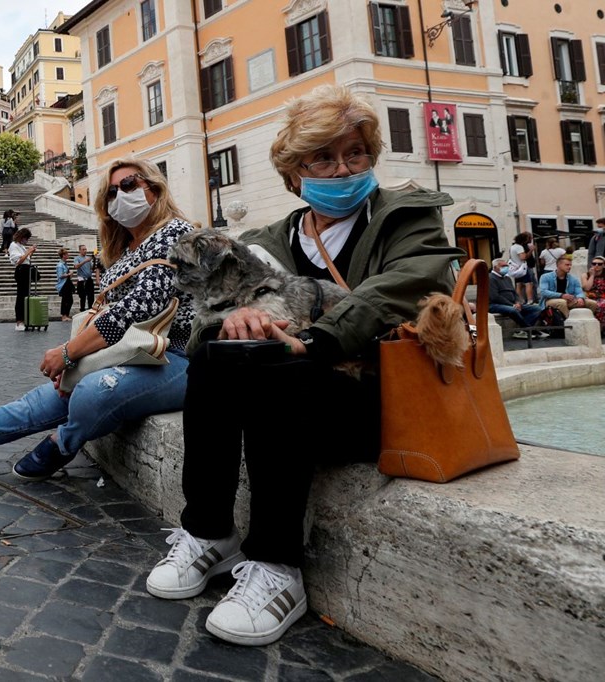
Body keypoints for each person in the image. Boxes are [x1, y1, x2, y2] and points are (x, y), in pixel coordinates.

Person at [144, 85, 464, 647]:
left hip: (378, 394)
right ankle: (208, 531)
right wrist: (233, 323)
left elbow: (403, 287)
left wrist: (313, 339)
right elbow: (200, 319)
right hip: (289, 399)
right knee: (217, 360)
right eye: (322, 157)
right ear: (295, 172)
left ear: (370, 158)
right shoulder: (265, 240)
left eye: (354, 154)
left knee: (280, 371)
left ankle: (277, 568)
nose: (341, 169)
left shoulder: (407, 218)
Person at [0, 157, 196, 481]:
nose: (119, 195)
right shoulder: (125, 249)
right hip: (127, 355)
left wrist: (67, 353)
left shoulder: (174, 233)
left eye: (128, 185)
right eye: (111, 193)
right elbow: (111, 316)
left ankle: (63, 442)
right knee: (35, 403)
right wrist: (75, 357)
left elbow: (136, 308)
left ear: (154, 188)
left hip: (175, 358)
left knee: (92, 391)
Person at [489, 257, 543, 336]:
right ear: (495, 267)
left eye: (506, 265)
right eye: (503, 266)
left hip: (511, 303)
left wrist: (517, 302)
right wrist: (512, 305)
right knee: (513, 310)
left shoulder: (507, 278)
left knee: (538, 308)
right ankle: (528, 329)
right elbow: (495, 296)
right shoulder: (490, 278)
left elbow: (514, 293)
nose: (506, 268)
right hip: (495, 304)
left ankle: (523, 330)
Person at [539, 253, 598, 318]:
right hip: (550, 300)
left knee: (592, 303)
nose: (569, 267)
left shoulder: (573, 279)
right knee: (561, 302)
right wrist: (561, 295)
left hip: (570, 300)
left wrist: (580, 298)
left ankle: (588, 321)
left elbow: (579, 291)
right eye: (567, 265)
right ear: (559, 265)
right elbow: (543, 291)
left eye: (570, 265)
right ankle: (569, 323)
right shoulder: (545, 277)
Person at [9, 228, 37, 331]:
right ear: (22, 237)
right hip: (21, 270)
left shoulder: (21, 246)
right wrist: (28, 251)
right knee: (21, 296)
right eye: (26, 238)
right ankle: (19, 321)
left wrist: (30, 252)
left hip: (26, 270)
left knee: (26, 295)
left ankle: (25, 319)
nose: (27, 240)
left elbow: (26, 258)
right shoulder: (14, 246)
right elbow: (18, 261)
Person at [509, 231, 536, 304]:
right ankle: (530, 300)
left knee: (519, 284)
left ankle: (519, 300)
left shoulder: (512, 247)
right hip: (522, 268)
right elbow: (523, 257)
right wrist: (530, 250)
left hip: (516, 268)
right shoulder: (519, 247)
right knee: (528, 283)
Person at [582, 256, 605, 329]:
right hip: (590, 297)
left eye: (599, 264)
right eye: (594, 263)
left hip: (603, 297)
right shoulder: (585, 275)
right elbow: (587, 288)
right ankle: (597, 328)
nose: (596, 265)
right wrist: (592, 275)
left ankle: (601, 328)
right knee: (600, 305)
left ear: (604, 265)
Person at [74, 244, 96, 312]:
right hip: (82, 280)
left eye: (85, 249)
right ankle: (82, 310)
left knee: (91, 296)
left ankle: (90, 309)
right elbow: (76, 266)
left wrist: (94, 261)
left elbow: (92, 268)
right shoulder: (77, 258)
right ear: (80, 251)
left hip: (89, 279)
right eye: (83, 249)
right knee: (83, 297)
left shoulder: (88, 258)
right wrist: (85, 261)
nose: (85, 251)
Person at [55, 248, 74, 322]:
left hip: (67, 283)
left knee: (69, 300)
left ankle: (66, 315)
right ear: (63, 255)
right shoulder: (60, 265)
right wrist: (69, 274)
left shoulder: (65, 264)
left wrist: (69, 275)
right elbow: (60, 275)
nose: (68, 255)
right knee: (65, 300)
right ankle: (64, 315)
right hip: (64, 284)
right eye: (66, 254)